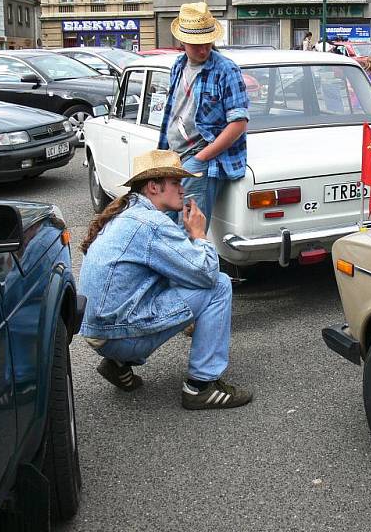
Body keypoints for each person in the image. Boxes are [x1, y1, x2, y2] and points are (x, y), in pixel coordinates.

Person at [78, 149, 253, 410]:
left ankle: (118, 365)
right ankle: (201, 387)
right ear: (153, 187)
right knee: (219, 284)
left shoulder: (128, 214)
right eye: (176, 183)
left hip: (100, 333)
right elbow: (205, 273)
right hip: (118, 336)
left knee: (175, 277)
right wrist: (198, 233)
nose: (183, 189)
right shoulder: (151, 224)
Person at [159, 2, 249, 230]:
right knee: (165, 225)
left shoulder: (226, 69)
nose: (203, 49)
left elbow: (238, 123)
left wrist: (201, 158)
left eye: (207, 43)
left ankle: (190, 267)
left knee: (189, 233)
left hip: (199, 158)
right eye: (196, 45)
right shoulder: (178, 66)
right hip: (173, 156)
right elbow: (174, 111)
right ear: (182, 42)